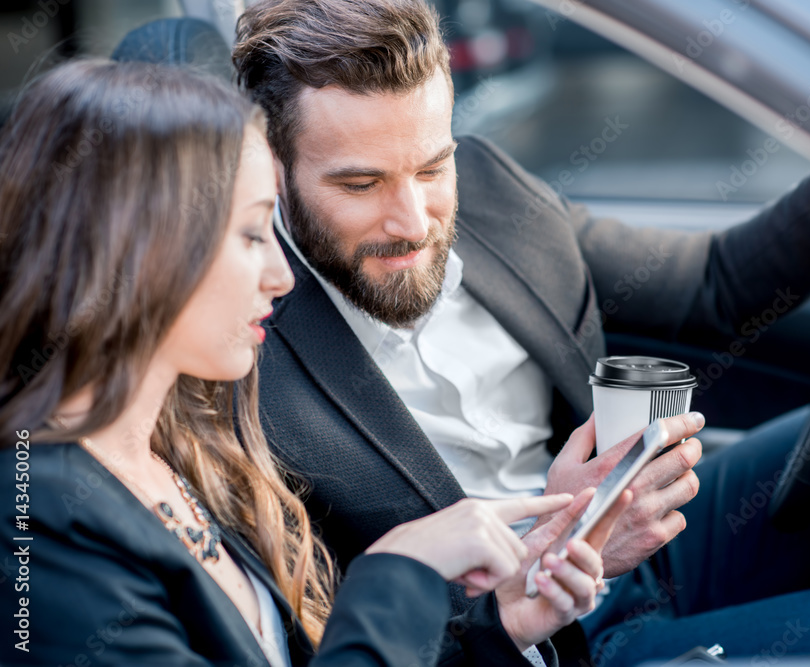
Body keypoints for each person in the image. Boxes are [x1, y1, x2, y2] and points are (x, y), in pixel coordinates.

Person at [232, 0, 810, 663]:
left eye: (432, 168)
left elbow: (708, 286)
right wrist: (540, 568)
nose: (413, 221)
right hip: (547, 639)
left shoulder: (494, 191)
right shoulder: (240, 355)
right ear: (271, 165)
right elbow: (339, 640)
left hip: (646, 545)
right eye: (359, 184)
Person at [0, 59, 627, 666]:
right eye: (250, 234)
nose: (280, 275)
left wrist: (503, 625)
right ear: (134, 253)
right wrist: (397, 573)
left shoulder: (191, 448)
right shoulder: (36, 519)